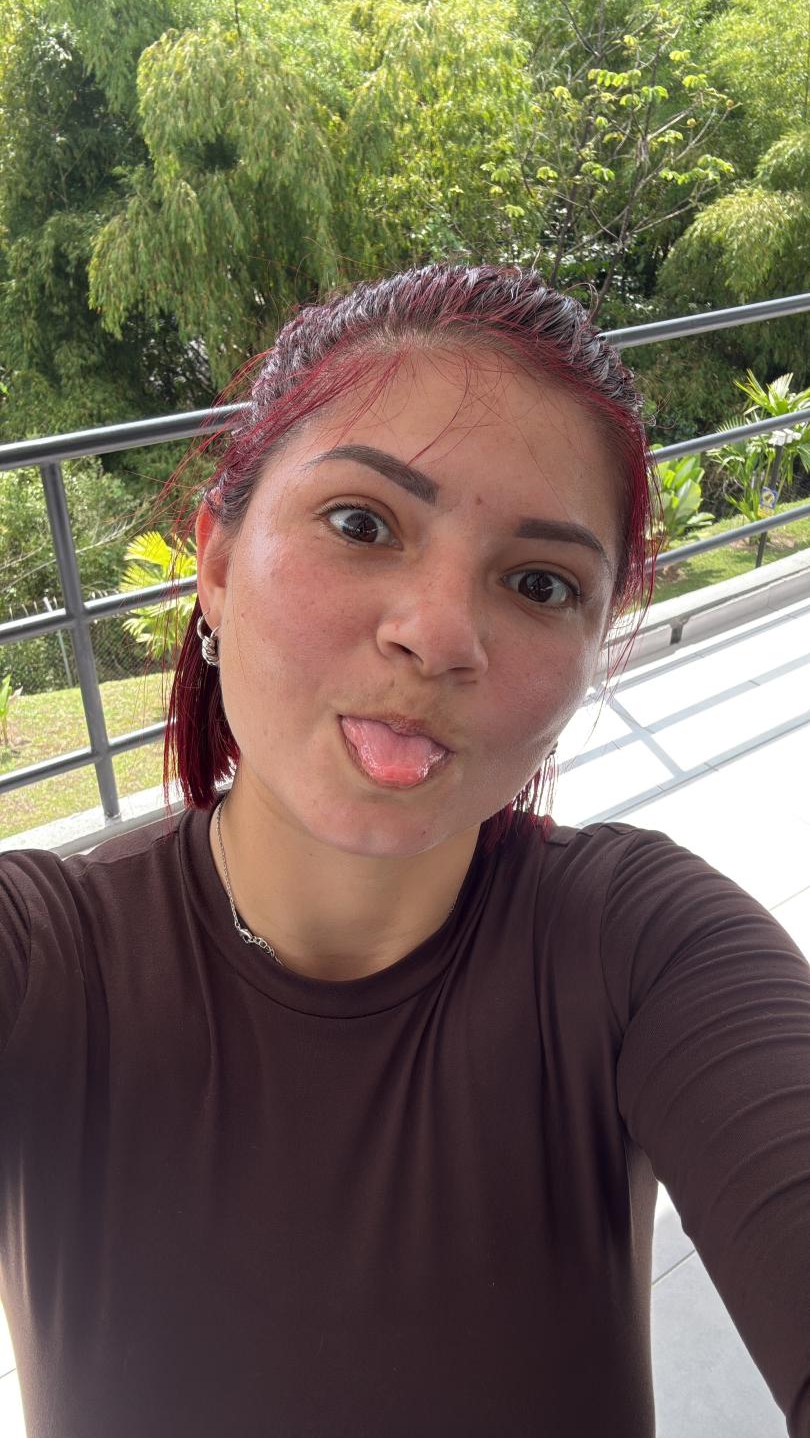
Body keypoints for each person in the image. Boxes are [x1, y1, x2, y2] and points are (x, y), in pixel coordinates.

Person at [1, 263, 808, 1438]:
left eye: (539, 583)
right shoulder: (48, 960)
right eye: (361, 523)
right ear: (216, 563)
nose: (439, 636)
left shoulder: (648, 953)